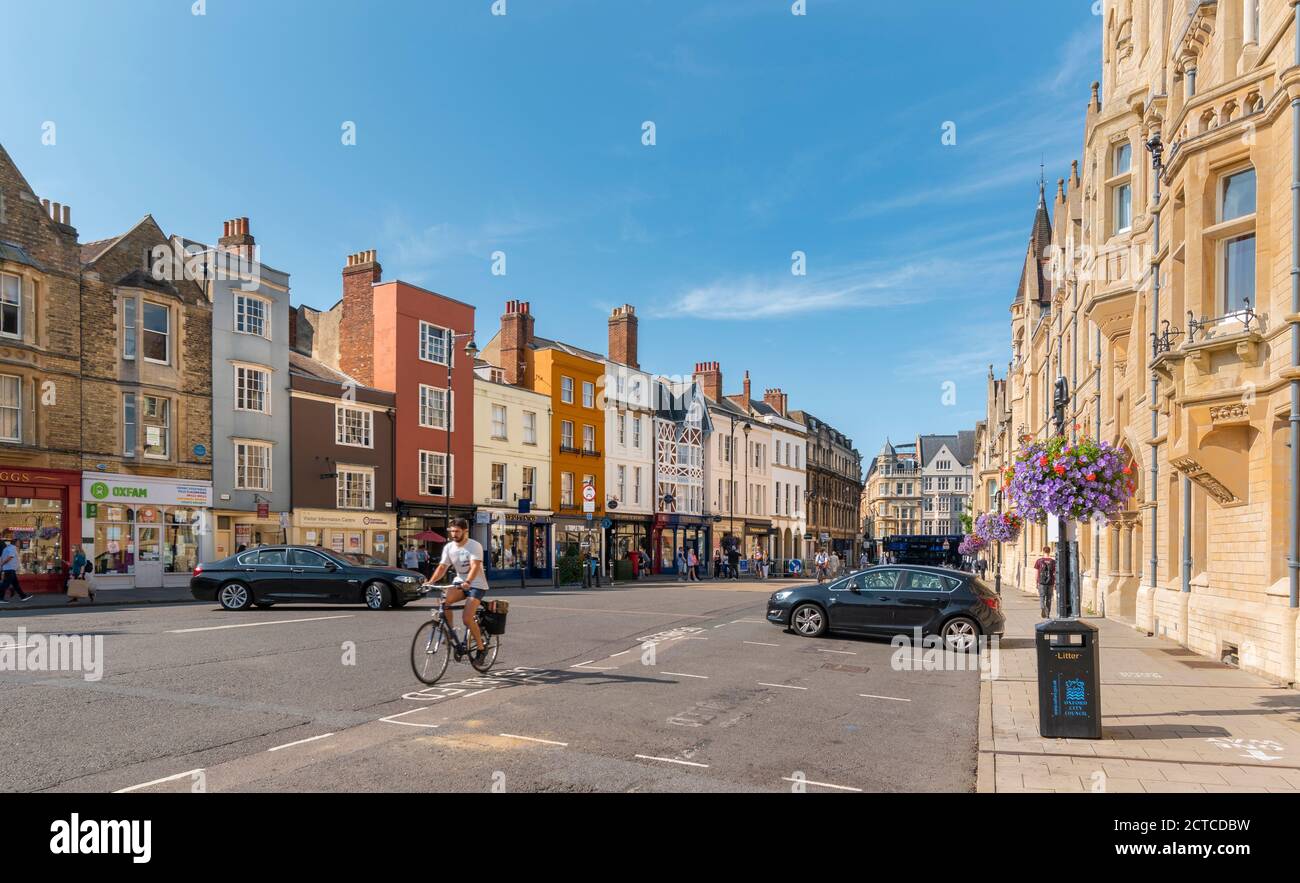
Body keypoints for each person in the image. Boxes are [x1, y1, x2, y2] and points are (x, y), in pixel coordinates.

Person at [424, 518, 491, 657]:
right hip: (459, 582)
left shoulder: (474, 546)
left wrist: (468, 581)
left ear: (465, 531)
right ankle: (450, 632)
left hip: (477, 585)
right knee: (444, 601)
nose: (453, 534)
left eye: (457, 531)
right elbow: (442, 567)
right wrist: (430, 582)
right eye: (452, 531)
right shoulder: (449, 547)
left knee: (467, 618)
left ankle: (481, 648)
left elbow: (475, 566)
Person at [0, 534, 31, 602]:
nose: (20, 543)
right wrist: (3, 564)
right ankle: (1, 598)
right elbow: (10, 557)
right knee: (5, 584)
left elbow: (2, 557)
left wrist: (2, 565)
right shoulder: (13, 548)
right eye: (19, 542)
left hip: (9, 569)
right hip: (10, 569)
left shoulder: (6, 548)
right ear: (16, 542)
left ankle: (23, 596)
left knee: (15, 584)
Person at [1034, 545, 1057, 619]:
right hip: (1050, 582)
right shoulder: (1053, 562)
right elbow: (1055, 573)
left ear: (1043, 551)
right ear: (1049, 552)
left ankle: (1043, 607)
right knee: (1049, 598)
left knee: (1042, 597)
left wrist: (1036, 582)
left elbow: (1036, 573)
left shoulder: (1039, 561)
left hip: (1041, 582)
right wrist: (1055, 582)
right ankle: (1047, 614)